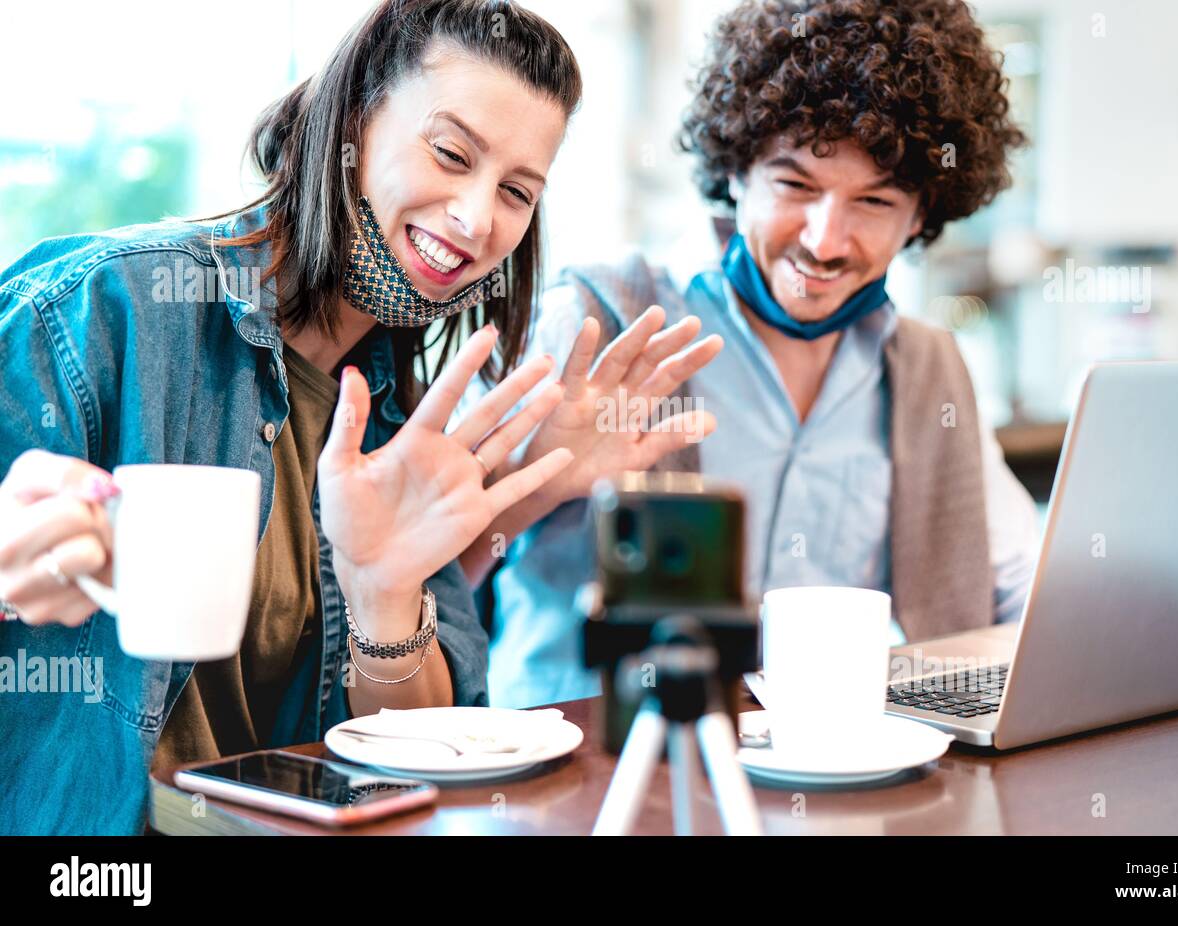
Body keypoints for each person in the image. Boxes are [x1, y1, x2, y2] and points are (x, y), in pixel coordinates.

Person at [0, 0, 717, 835]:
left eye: (517, 192)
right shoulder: (100, 307)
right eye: (451, 153)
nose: (477, 219)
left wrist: (385, 594)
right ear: (351, 120)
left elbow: (420, 745)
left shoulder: (400, 421)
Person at [465, 0, 1041, 709]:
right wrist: (541, 482)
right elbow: (430, 569)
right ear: (736, 171)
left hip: (826, 779)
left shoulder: (930, 370)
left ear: (923, 214)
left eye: (876, 202)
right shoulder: (596, 319)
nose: (826, 241)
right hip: (588, 776)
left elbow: (1023, 584)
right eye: (795, 185)